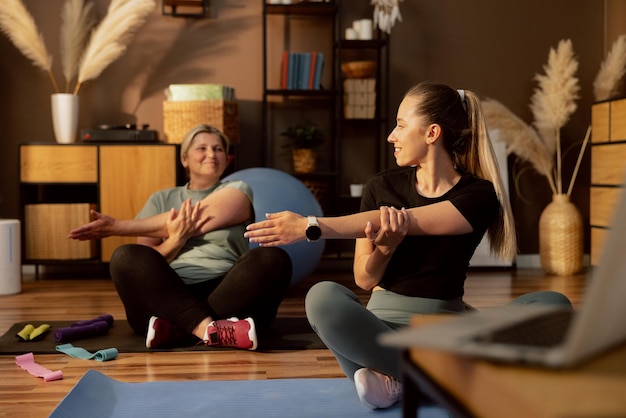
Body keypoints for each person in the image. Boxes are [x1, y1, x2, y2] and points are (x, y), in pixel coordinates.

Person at [243, 81, 572, 409]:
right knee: (322, 298)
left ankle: (396, 378)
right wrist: (385, 250)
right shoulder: (381, 186)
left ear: (431, 133)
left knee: (552, 304)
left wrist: (310, 226)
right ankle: (452, 379)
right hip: (382, 326)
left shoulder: (478, 195)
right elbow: (364, 279)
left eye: (401, 125)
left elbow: (413, 220)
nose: (391, 136)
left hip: (450, 326)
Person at [69, 124, 292, 351]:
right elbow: (145, 261)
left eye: (218, 149)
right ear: (184, 159)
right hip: (168, 294)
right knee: (125, 257)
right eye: (201, 148)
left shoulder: (238, 190)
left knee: (273, 258)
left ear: (226, 159)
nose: (211, 154)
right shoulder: (161, 199)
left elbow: (195, 217)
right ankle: (214, 330)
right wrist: (176, 241)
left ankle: (179, 329)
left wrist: (117, 226)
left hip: (227, 290)